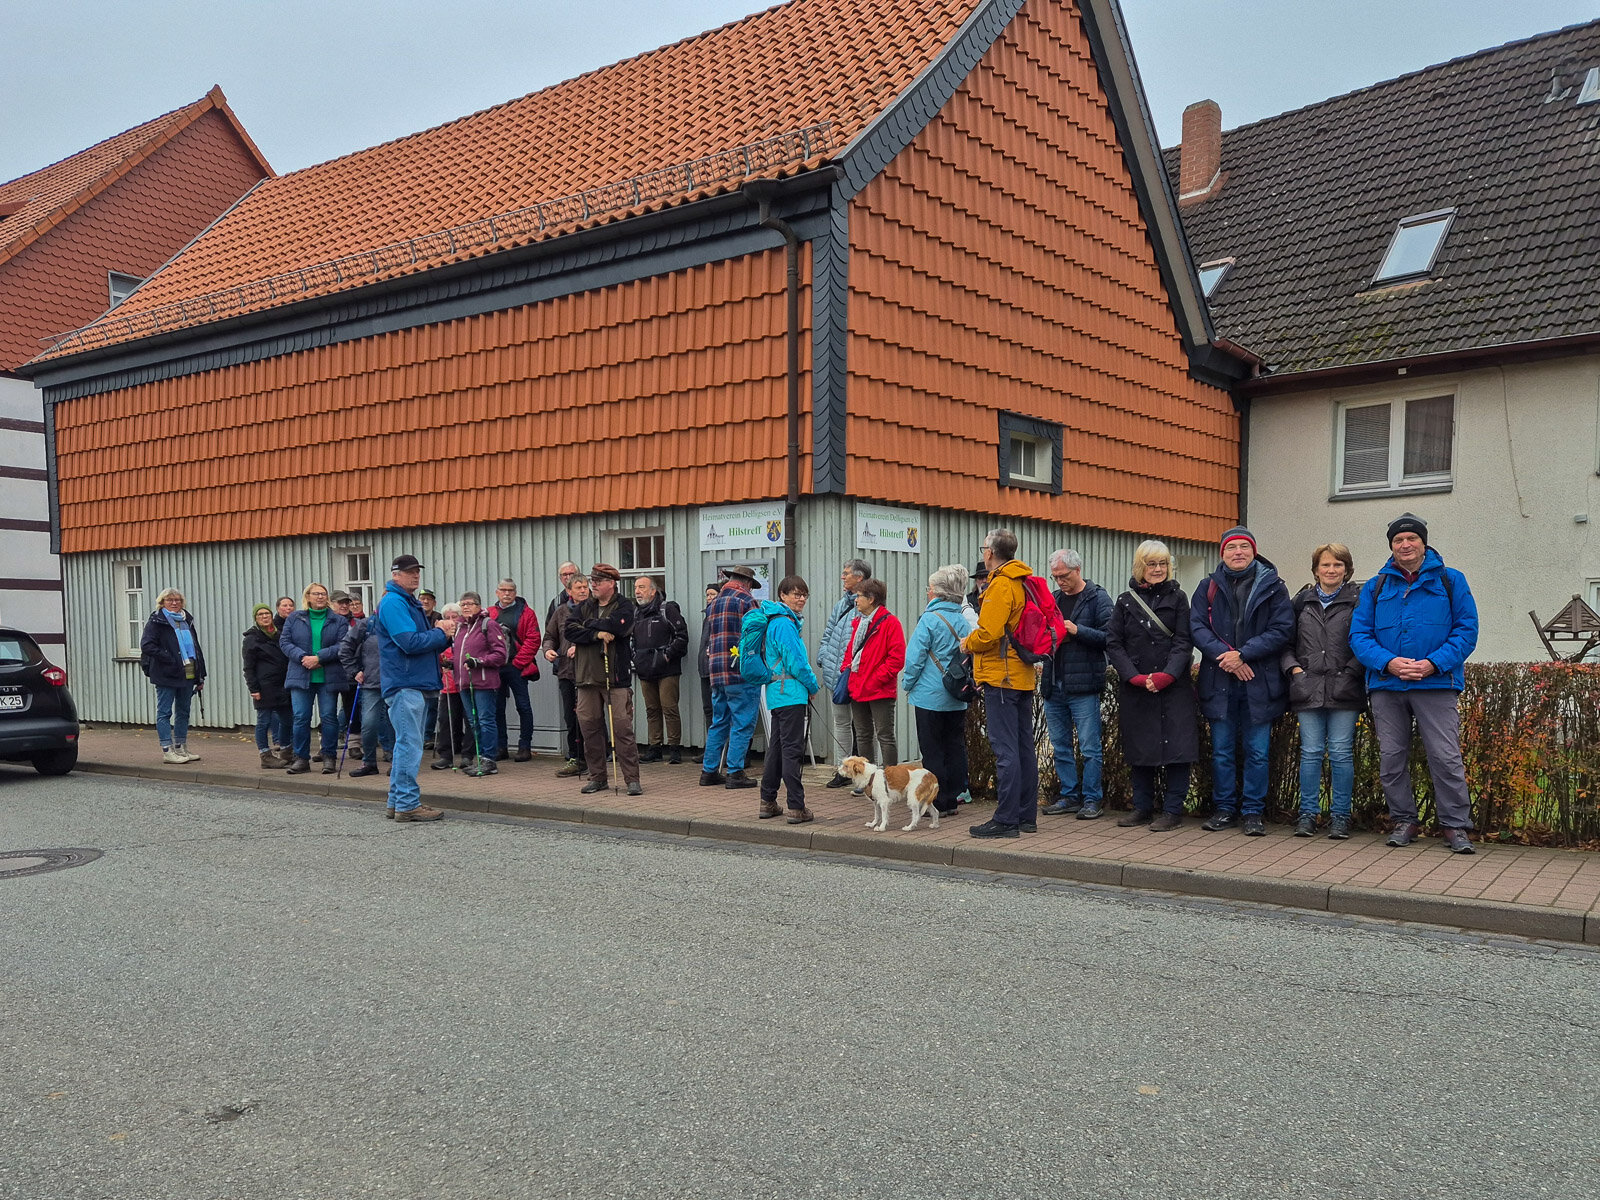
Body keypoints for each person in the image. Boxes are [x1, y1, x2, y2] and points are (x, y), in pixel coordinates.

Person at [1349, 513, 1479, 853]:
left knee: (1446, 757)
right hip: (1387, 686)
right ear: (1391, 546)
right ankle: (1404, 820)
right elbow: (1359, 636)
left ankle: (1455, 827)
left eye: (1411, 539)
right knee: (1392, 758)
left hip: (1436, 684)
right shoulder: (1376, 586)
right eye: (1398, 540)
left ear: (1423, 542)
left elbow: (1466, 631)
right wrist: (1388, 663)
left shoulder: (1451, 580)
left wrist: (1432, 664)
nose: (1405, 545)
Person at [1191, 526, 1294, 836]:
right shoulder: (1206, 586)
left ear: (1254, 551)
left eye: (1243, 547)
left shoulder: (1274, 586)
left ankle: (1252, 812)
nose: (1238, 552)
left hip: (1259, 683)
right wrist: (1229, 658)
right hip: (1219, 682)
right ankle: (1224, 809)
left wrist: (1244, 655)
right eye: (1231, 547)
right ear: (1222, 553)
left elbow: (1282, 629)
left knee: (1258, 752)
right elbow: (1197, 627)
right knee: (1222, 751)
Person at [1106, 541, 1198, 831]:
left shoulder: (1180, 597)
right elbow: (1114, 643)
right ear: (1140, 567)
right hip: (1137, 687)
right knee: (1140, 748)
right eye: (1151, 564)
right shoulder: (1125, 601)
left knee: (1177, 750)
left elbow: (1184, 641)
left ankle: (1172, 810)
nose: (1157, 570)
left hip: (1173, 686)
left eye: (1162, 564)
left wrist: (1168, 675)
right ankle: (1142, 807)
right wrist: (1132, 676)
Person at [1282, 543, 1365, 839]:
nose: (1331, 570)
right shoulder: (1301, 602)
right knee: (1311, 752)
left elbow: (1368, 640)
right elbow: (1285, 642)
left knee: (1341, 753)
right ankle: (1307, 814)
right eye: (1325, 565)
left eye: (1337, 565)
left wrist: (1352, 671)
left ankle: (1340, 816)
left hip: (1345, 689)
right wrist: (1294, 670)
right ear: (1316, 570)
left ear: (1347, 569)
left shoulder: (1359, 600)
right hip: (1307, 687)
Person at [963, 529, 1038, 838]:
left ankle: (1006, 820)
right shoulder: (1023, 581)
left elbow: (988, 632)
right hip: (1021, 675)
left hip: (1001, 676)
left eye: (984, 548)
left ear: (990, 553)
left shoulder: (1000, 585)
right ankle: (1025, 815)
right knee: (1023, 748)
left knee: (1005, 750)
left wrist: (967, 643)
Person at [375, 554, 458, 821]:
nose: (415, 575)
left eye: (417, 571)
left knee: (406, 744)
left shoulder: (406, 602)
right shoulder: (394, 603)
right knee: (409, 745)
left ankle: (397, 802)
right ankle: (407, 804)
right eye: (409, 572)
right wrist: (440, 633)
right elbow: (409, 643)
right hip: (405, 683)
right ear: (395, 574)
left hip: (411, 682)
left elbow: (423, 644)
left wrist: (444, 636)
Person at [1042, 548, 1114, 819]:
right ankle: (1069, 795)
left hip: (1084, 686)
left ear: (1078, 570)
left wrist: (1077, 630)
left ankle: (1092, 799)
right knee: (1060, 746)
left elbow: (1110, 637)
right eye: (1055, 577)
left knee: (1090, 747)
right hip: (1054, 682)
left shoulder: (1098, 598)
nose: (1060, 581)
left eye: (1064, 576)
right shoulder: (1054, 599)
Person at [900, 565, 971, 820]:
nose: (927, 592)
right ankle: (953, 797)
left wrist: (907, 684)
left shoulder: (929, 620)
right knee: (954, 746)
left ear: (938, 593)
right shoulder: (964, 621)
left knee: (932, 750)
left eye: (929, 588)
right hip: (956, 695)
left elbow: (915, 658)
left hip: (929, 696)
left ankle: (936, 800)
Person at [566, 564, 642, 795]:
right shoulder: (584, 606)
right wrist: (595, 633)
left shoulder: (624, 606)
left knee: (622, 729)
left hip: (615, 678)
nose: (594, 585)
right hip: (586, 678)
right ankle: (597, 777)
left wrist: (588, 626)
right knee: (590, 730)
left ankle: (632, 779)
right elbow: (569, 630)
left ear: (611, 583)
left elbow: (618, 626)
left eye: (598, 581)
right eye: (593, 581)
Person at [754, 576, 820, 823]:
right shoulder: (784, 624)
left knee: (777, 749)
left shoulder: (775, 620)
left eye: (804, 594)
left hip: (777, 693)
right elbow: (797, 663)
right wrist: (812, 685)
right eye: (795, 594)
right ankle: (796, 806)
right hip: (790, 693)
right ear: (782, 595)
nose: (801, 598)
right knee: (792, 750)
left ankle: (767, 801)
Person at [701, 564, 762, 789]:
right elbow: (755, 638)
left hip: (716, 672)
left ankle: (709, 771)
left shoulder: (713, 603)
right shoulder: (747, 601)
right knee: (743, 722)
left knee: (719, 722)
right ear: (746, 583)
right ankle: (735, 772)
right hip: (740, 671)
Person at [280, 583, 350, 775]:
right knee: (301, 717)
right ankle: (301, 758)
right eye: (316, 594)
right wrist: (303, 657)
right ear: (308, 596)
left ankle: (329, 757)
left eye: (323, 594)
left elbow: (343, 645)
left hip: (328, 676)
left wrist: (320, 657)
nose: (320, 597)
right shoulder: (295, 618)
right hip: (301, 675)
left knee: (328, 718)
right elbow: (285, 642)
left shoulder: (338, 620)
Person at [817, 559, 871, 787]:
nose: (843, 577)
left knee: (862, 725)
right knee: (841, 722)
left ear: (859, 578)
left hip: (855, 675)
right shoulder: (842, 604)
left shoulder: (868, 604)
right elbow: (829, 632)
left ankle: (865, 772)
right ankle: (844, 770)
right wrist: (823, 656)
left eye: (846, 573)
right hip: (834, 674)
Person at [140, 587, 207, 764]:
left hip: (188, 671)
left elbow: (195, 648)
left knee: (183, 711)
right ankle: (167, 750)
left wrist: (200, 675)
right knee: (164, 712)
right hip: (166, 673)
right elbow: (147, 645)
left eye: (177, 600)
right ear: (162, 603)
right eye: (170, 600)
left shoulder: (187, 620)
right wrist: (169, 658)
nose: (174, 603)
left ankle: (181, 747)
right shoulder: (156, 621)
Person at [844, 577, 906, 769]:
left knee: (884, 735)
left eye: (859, 596)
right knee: (862, 734)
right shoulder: (860, 623)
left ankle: (890, 780)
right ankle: (866, 779)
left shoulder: (890, 623)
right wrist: (846, 669)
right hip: (857, 687)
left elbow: (897, 658)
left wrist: (876, 678)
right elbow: (850, 652)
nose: (856, 600)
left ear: (871, 599)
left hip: (880, 689)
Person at [632, 576, 689, 763]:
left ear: (653, 591)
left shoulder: (667, 609)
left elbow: (681, 636)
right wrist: (636, 658)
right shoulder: (636, 614)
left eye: (641, 587)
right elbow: (630, 641)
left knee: (669, 708)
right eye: (635, 588)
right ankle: (654, 748)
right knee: (651, 709)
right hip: (645, 669)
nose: (637, 591)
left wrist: (666, 655)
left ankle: (674, 749)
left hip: (667, 669)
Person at [454, 591, 509, 776]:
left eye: (470, 603)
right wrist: (450, 663)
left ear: (478, 606)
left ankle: (489, 759)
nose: (466, 607)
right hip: (464, 682)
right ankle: (480, 757)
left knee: (486, 720)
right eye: (463, 604)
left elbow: (501, 654)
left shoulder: (488, 625)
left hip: (484, 682)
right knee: (473, 722)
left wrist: (479, 661)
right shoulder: (460, 627)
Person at [488, 578, 542, 763]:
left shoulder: (526, 613)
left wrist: (518, 663)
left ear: (515, 592)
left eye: (510, 590)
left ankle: (524, 746)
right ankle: (500, 746)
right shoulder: (489, 613)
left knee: (523, 706)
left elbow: (533, 639)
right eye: (503, 589)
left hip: (517, 667)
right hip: (495, 668)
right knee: (497, 708)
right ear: (497, 592)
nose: (506, 593)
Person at [340, 609, 395, 778]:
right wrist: (354, 671)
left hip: (397, 682)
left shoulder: (403, 621)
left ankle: (396, 761)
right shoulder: (367, 624)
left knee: (396, 724)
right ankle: (369, 762)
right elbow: (345, 648)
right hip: (371, 682)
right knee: (369, 724)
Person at [545, 563, 585, 776]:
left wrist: (581, 646)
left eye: (585, 587)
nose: (583, 591)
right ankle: (574, 757)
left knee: (588, 718)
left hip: (588, 672)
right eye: (578, 587)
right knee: (571, 718)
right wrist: (548, 650)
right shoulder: (560, 611)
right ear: (568, 591)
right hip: (566, 671)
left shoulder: (593, 610)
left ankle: (595, 757)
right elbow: (550, 636)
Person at [242, 603, 292, 769]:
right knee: (263, 721)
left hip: (283, 684)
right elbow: (248, 667)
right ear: (256, 618)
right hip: (264, 686)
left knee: (286, 719)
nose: (264, 617)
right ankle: (265, 755)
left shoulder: (280, 635)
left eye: (267, 614)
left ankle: (286, 751)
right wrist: (253, 688)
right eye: (260, 615)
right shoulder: (252, 638)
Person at [431, 602, 473, 771]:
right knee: (446, 720)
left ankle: (467, 755)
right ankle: (446, 755)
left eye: (454, 617)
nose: (450, 621)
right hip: (448, 684)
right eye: (447, 618)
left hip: (465, 682)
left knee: (469, 719)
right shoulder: (441, 635)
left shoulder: (466, 632)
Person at [698, 582, 719, 731]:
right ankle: (711, 749)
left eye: (713, 594)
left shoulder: (719, 616)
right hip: (704, 668)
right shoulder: (706, 617)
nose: (709, 597)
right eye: (707, 594)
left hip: (716, 668)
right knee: (707, 709)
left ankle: (723, 749)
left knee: (719, 709)